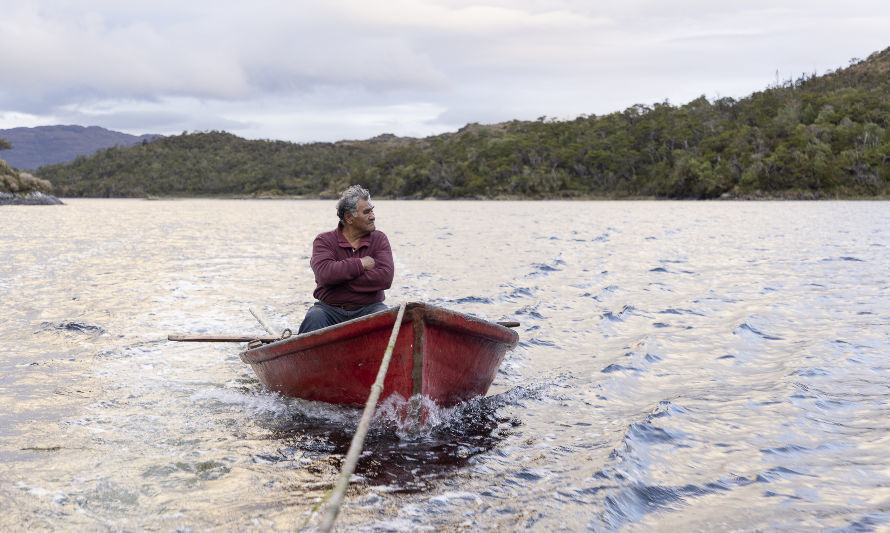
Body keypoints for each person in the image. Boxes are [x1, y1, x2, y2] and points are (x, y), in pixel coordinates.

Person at [298, 185, 394, 334]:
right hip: (329, 310)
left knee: (385, 319)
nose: (373, 216)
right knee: (314, 317)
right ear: (349, 218)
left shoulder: (379, 239)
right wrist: (360, 264)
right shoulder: (324, 240)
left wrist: (338, 280)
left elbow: (385, 278)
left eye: (372, 210)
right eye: (367, 212)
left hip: (369, 308)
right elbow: (325, 274)